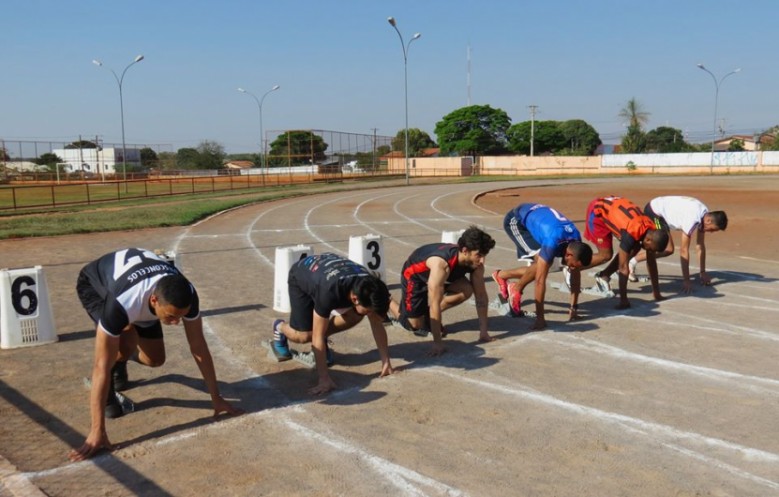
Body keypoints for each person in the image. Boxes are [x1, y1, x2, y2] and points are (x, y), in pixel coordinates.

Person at [70, 248, 242, 461]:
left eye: (180, 316)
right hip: (97, 286)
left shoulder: (187, 294)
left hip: (138, 292)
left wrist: (216, 398)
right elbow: (100, 366)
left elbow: (198, 346)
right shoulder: (122, 303)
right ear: (154, 301)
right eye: (170, 316)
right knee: (123, 342)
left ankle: (123, 357)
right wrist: (97, 431)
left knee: (155, 359)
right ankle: (117, 368)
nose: (176, 322)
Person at [270, 253, 393, 396]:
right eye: (368, 310)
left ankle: (322, 347)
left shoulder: (371, 287)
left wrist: (385, 361)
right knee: (305, 336)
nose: (370, 313)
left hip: (327, 272)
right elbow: (317, 337)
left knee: (355, 316)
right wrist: (324, 379)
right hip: (301, 276)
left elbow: (377, 322)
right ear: (355, 299)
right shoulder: (329, 292)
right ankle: (279, 326)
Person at [388, 226, 496, 356]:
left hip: (441, 277)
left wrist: (483, 332)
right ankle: (387, 300)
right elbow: (435, 304)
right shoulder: (441, 265)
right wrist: (437, 343)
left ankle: (428, 318)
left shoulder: (476, 264)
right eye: (478, 255)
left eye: (484, 255)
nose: (482, 260)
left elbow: (481, 296)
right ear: (465, 250)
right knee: (414, 325)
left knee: (466, 290)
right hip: (414, 276)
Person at [492, 203, 593, 330]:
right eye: (572, 265)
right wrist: (540, 319)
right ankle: (516, 288)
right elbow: (540, 281)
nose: (572, 268)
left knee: (545, 264)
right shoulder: (553, 241)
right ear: (569, 254)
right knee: (543, 265)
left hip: (542, 221)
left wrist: (574, 308)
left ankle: (502, 276)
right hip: (517, 221)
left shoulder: (576, 241)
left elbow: (576, 276)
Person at [583, 196, 670, 309]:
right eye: (651, 249)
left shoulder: (651, 229)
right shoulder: (631, 232)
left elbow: (651, 262)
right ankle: (572, 267)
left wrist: (656, 293)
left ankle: (604, 275)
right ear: (648, 240)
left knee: (635, 248)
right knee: (605, 255)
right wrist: (624, 301)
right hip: (597, 212)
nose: (650, 252)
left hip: (613, 208)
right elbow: (623, 267)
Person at [629, 196, 727, 293]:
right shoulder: (693, 219)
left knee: (668, 248)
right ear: (709, 221)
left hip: (661, 213)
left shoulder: (704, 214)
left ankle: (632, 261)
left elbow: (700, 245)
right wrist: (686, 280)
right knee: (667, 248)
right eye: (713, 229)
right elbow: (684, 250)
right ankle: (631, 262)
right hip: (655, 213)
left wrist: (702, 272)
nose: (711, 232)